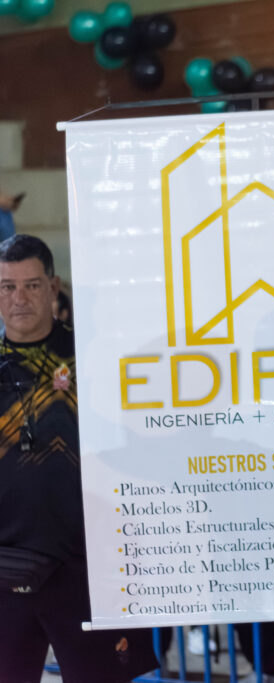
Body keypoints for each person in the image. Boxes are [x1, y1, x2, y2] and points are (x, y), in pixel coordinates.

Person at [0, 234, 157, 683]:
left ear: (54, 287)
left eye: (32, 285)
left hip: (89, 568)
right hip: (5, 567)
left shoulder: (96, 359)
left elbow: (142, 441)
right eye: (8, 287)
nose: (19, 298)